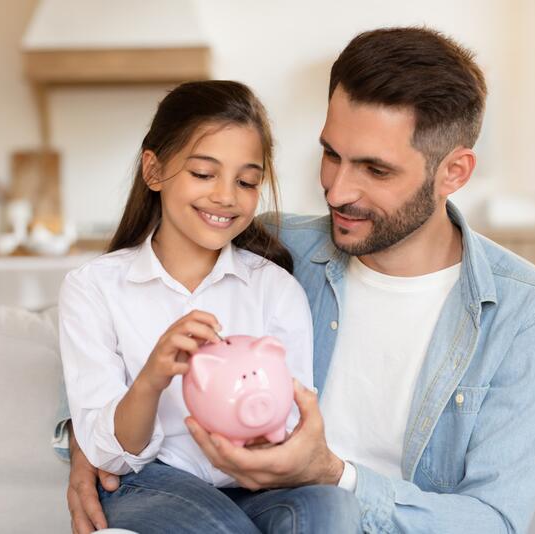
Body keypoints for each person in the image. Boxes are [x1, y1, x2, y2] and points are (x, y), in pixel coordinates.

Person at [58, 27, 535, 534]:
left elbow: (495, 522)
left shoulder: (527, 313)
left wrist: (334, 475)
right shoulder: (273, 246)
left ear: (454, 173)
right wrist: (91, 443)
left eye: (375, 170)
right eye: (331, 155)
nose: (335, 191)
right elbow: (117, 315)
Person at [57, 80, 360, 534]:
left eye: (246, 181)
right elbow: (106, 452)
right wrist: (152, 378)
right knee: (219, 527)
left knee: (332, 511)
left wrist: (264, 426)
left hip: (259, 486)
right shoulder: (94, 288)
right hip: (152, 481)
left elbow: (289, 422)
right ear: (154, 171)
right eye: (203, 174)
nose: (225, 196)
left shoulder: (274, 289)